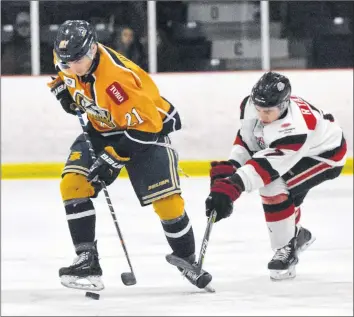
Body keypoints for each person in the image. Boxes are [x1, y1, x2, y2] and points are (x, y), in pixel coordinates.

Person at [47, 20, 212, 291]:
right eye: (67, 63)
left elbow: (148, 127)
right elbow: (64, 74)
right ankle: (87, 259)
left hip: (145, 130)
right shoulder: (66, 57)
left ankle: (186, 259)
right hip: (103, 128)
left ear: (91, 50)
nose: (72, 68)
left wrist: (114, 158)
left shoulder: (117, 80)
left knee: (167, 202)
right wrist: (63, 90)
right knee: (73, 184)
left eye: (77, 61)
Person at [205, 71, 347, 281]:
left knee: (272, 185)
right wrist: (231, 168)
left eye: (268, 111)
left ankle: (286, 248)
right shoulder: (250, 105)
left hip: (325, 155)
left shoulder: (295, 128)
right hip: (300, 150)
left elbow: (265, 168)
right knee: (284, 197)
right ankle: (296, 235)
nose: (262, 115)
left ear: (282, 105)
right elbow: (249, 142)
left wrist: (232, 187)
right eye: (259, 108)